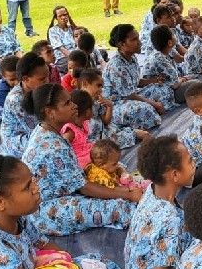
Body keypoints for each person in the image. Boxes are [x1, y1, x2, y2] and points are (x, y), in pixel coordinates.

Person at [21, 83, 140, 235]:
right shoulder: (54, 146)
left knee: (110, 172)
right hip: (46, 211)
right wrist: (127, 193)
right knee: (121, 207)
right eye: (67, 103)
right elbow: (84, 187)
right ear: (50, 112)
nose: (74, 106)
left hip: (60, 196)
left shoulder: (44, 130)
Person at [124, 135, 195, 269]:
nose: (194, 165)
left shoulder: (151, 191)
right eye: (190, 161)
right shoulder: (170, 220)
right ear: (175, 175)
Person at [103, 24, 163, 130]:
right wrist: (154, 104)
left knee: (163, 89)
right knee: (144, 109)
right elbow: (129, 95)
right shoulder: (117, 65)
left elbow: (135, 82)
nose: (139, 42)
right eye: (134, 39)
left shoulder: (132, 58)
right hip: (115, 104)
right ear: (122, 44)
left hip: (132, 95)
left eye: (138, 38)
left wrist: (154, 81)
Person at [76, 68, 146, 149]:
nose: (100, 90)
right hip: (92, 139)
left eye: (101, 87)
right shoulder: (77, 101)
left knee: (125, 135)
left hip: (104, 132)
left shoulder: (97, 101)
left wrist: (110, 106)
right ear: (85, 84)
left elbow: (106, 121)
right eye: (98, 86)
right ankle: (135, 134)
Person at [0, 52, 51, 157]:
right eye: (42, 79)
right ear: (25, 79)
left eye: (47, 77)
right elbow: (36, 130)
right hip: (17, 140)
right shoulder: (16, 100)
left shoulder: (38, 89)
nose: (47, 81)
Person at [142, 25, 199, 110]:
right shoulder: (159, 59)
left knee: (196, 74)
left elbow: (180, 59)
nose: (175, 36)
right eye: (173, 34)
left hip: (170, 83)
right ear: (169, 42)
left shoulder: (168, 49)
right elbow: (174, 85)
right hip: (163, 92)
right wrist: (183, 79)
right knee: (197, 83)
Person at [61, 89, 95, 168]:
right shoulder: (70, 131)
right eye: (92, 108)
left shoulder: (83, 123)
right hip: (81, 164)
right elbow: (63, 148)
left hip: (87, 156)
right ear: (87, 112)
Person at [47, 5, 78, 74]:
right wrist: (75, 58)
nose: (63, 17)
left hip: (76, 55)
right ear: (56, 18)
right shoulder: (53, 31)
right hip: (62, 59)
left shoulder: (72, 28)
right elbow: (62, 49)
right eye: (60, 16)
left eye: (65, 15)